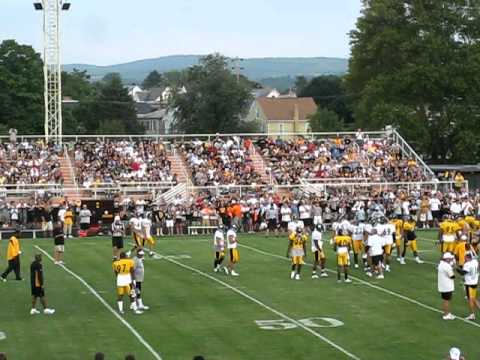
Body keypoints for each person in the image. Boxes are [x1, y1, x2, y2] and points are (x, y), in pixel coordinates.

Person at [456, 251, 479, 320]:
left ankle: (472, 315)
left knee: (470, 300)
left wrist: (456, 268)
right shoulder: (475, 261)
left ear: (467, 257)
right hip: (475, 282)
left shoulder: (468, 264)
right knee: (474, 299)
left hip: (469, 284)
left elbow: (462, 273)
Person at [438, 252, 456, 320]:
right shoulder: (447, 266)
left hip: (443, 285)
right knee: (447, 301)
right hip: (447, 286)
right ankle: (446, 315)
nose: (451, 260)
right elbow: (452, 276)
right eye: (450, 258)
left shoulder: (441, 264)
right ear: (447, 259)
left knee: (445, 300)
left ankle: (447, 313)